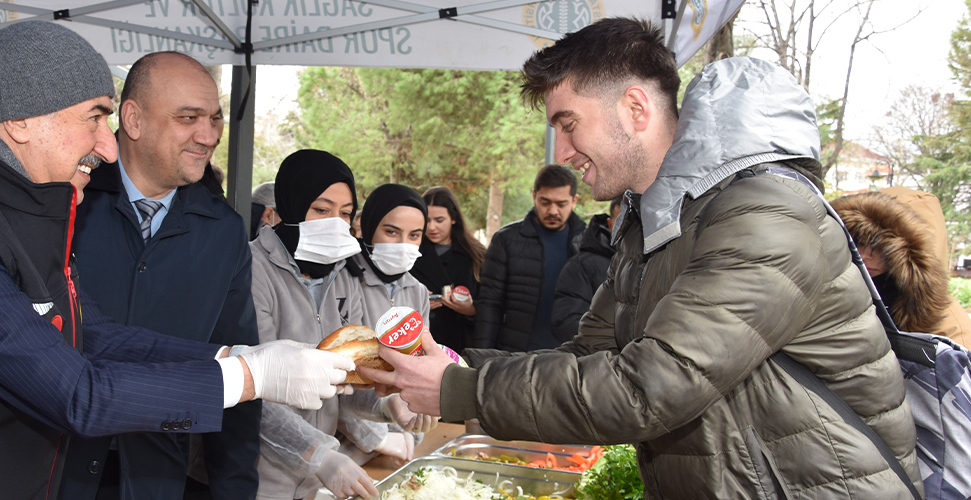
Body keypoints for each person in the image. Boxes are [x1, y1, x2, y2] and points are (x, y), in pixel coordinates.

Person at [364, 18, 921, 499]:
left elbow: (650, 387)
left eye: (568, 124)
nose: (561, 152)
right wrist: (455, 369)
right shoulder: (652, 226)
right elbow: (586, 356)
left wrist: (458, 390)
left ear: (634, 107)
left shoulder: (764, 212)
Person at [0, 22, 352, 500]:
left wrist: (237, 354)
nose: (107, 146)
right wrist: (249, 377)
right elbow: (78, 394)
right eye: (94, 117)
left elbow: (92, 334)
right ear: (22, 121)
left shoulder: (25, 208)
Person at [60, 52, 259, 500]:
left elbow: (237, 368)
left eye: (215, 119)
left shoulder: (223, 232)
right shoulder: (65, 200)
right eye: (188, 117)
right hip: (47, 470)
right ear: (132, 118)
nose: (207, 136)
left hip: (154, 479)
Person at [250, 149, 383, 500]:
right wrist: (319, 456)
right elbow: (251, 388)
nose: (334, 224)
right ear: (291, 205)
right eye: (321, 210)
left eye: (345, 214)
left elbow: (350, 375)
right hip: (258, 478)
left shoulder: (343, 276)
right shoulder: (250, 269)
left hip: (315, 483)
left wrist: (389, 403)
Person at [338, 183, 439, 469]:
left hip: (394, 448)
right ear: (368, 228)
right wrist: (375, 438)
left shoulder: (417, 291)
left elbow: (418, 368)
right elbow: (336, 377)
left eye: (414, 235)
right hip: (336, 443)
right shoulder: (342, 281)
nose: (403, 245)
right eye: (392, 232)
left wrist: (407, 431)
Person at [833, 189, 970, 347]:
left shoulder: (950, 328)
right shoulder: (835, 286)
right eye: (857, 242)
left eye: (881, 248)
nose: (864, 255)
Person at [471, 164, 586, 351]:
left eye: (561, 204)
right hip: (516, 355)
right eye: (545, 202)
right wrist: (482, 356)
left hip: (570, 359)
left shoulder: (587, 243)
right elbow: (489, 305)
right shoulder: (506, 240)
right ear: (534, 196)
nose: (553, 211)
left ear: (574, 201)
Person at [409, 186, 484, 354]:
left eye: (439, 220)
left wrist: (471, 310)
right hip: (423, 343)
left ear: (453, 218)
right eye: (427, 220)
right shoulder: (410, 253)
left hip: (463, 344)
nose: (432, 227)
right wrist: (416, 304)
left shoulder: (477, 255)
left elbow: (492, 303)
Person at [550, 197, 621, 343]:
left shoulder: (662, 260)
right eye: (621, 222)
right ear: (610, 224)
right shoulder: (581, 266)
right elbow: (566, 322)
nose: (629, 229)